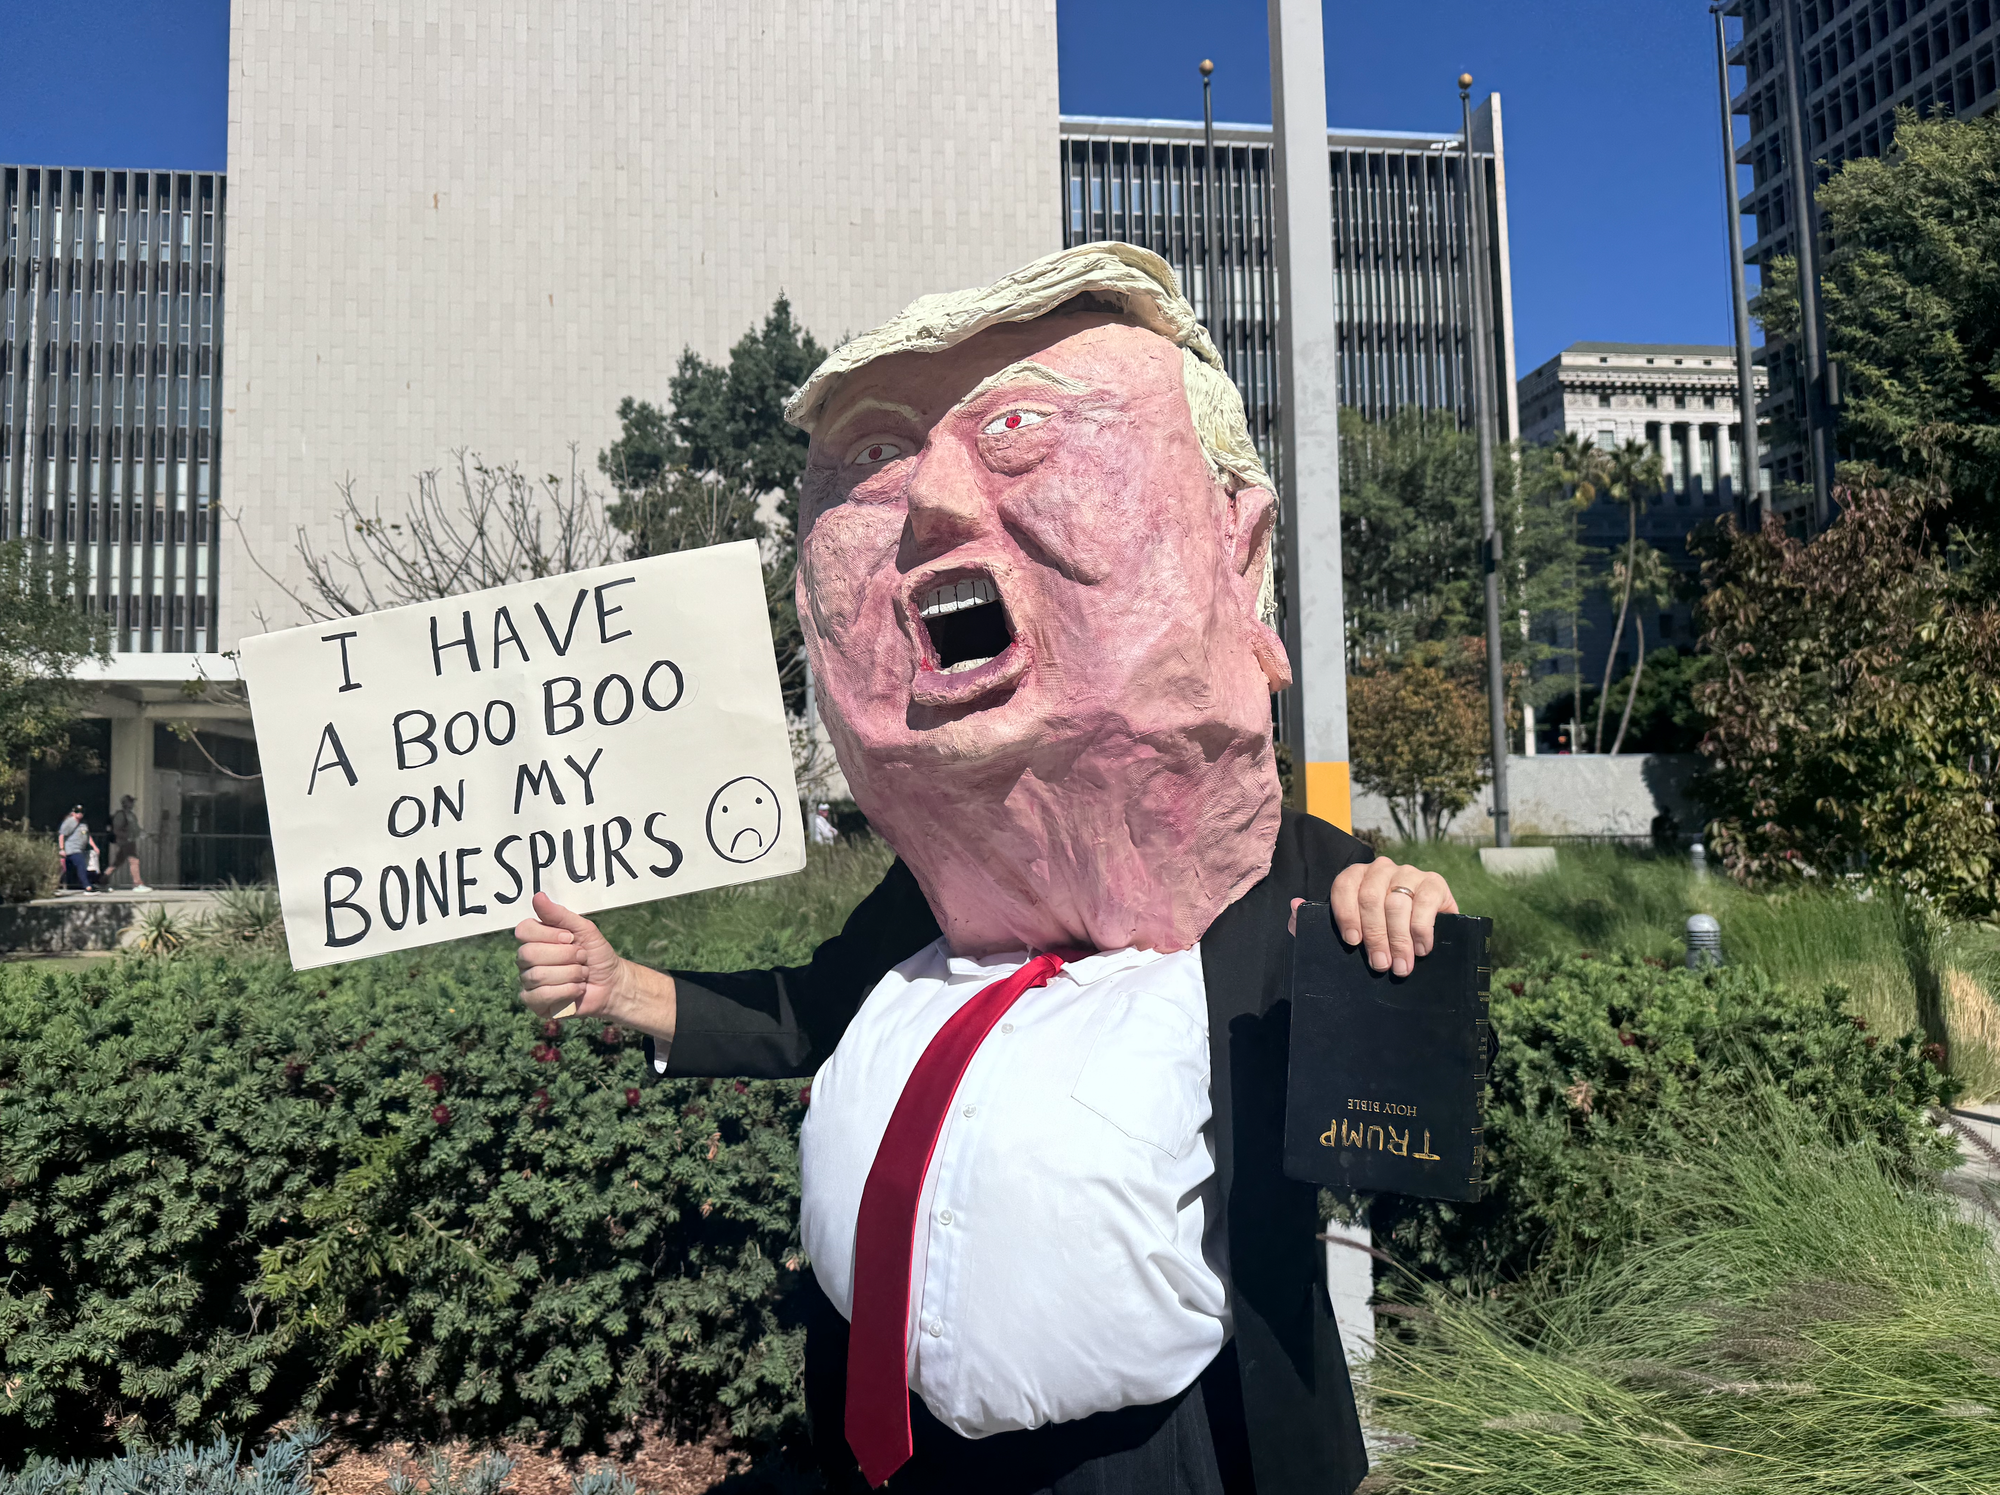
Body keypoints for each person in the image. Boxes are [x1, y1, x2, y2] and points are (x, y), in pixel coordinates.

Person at [516, 243, 1458, 1495]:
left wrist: (1394, 924)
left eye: (1018, 428)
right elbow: (807, 1008)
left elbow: (1392, 1106)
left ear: (1237, 558)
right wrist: (621, 983)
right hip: (900, 1453)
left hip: (1169, 1460)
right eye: (873, 461)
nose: (936, 505)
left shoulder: (1289, 897)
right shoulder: (930, 905)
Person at [108, 794, 152, 891]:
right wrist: (127, 837)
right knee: (134, 861)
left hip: (130, 841)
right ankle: (137, 883)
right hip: (124, 842)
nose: (132, 804)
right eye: (131, 802)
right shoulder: (121, 815)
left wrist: (143, 833)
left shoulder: (131, 815)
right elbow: (117, 830)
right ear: (126, 803)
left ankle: (102, 880)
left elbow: (135, 828)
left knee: (116, 863)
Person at [55, 806, 94, 894]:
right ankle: (87, 886)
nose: (79, 814)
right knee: (81, 865)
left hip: (81, 849)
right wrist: (62, 849)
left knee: (70, 870)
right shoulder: (69, 822)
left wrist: (94, 846)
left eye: (81, 812)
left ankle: (71, 885)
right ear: (73, 813)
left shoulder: (83, 823)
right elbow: (62, 835)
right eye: (77, 812)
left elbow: (87, 835)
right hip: (72, 848)